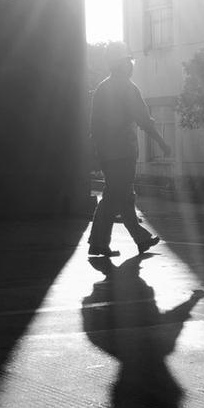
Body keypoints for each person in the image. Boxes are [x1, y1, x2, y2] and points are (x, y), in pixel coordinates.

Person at [88, 41, 170, 256]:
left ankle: (132, 239)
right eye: (128, 61)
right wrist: (161, 142)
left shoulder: (102, 88)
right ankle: (105, 242)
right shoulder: (127, 87)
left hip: (107, 154)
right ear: (123, 64)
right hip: (123, 153)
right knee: (119, 196)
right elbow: (144, 120)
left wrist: (97, 153)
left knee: (118, 195)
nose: (130, 65)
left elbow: (94, 126)